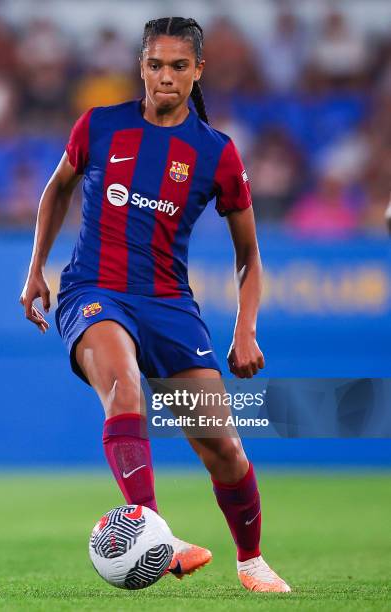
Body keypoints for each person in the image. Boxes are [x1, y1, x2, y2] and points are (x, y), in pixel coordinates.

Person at [20, 17, 290, 593]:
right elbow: (57, 188)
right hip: (93, 290)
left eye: (177, 66)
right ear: (141, 66)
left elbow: (249, 254)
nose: (164, 77)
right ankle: (157, 538)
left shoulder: (216, 152)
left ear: (198, 72)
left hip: (169, 305)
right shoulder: (100, 126)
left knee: (223, 447)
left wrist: (246, 329)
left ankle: (251, 559)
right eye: (154, 65)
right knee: (124, 385)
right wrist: (35, 271)